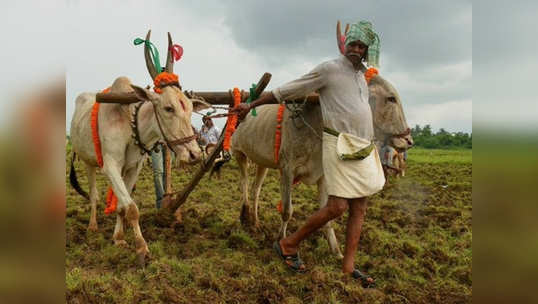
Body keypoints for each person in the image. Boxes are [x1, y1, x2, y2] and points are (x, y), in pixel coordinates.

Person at [231, 20, 383, 287]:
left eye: (361, 46)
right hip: (339, 146)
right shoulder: (330, 69)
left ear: (367, 50)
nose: (356, 49)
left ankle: (348, 267)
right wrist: (252, 104)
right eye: (353, 44)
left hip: (363, 148)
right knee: (337, 206)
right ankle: (288, 243)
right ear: (345, 46)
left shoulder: (362, 77)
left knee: (360, 208)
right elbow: (286, 90)